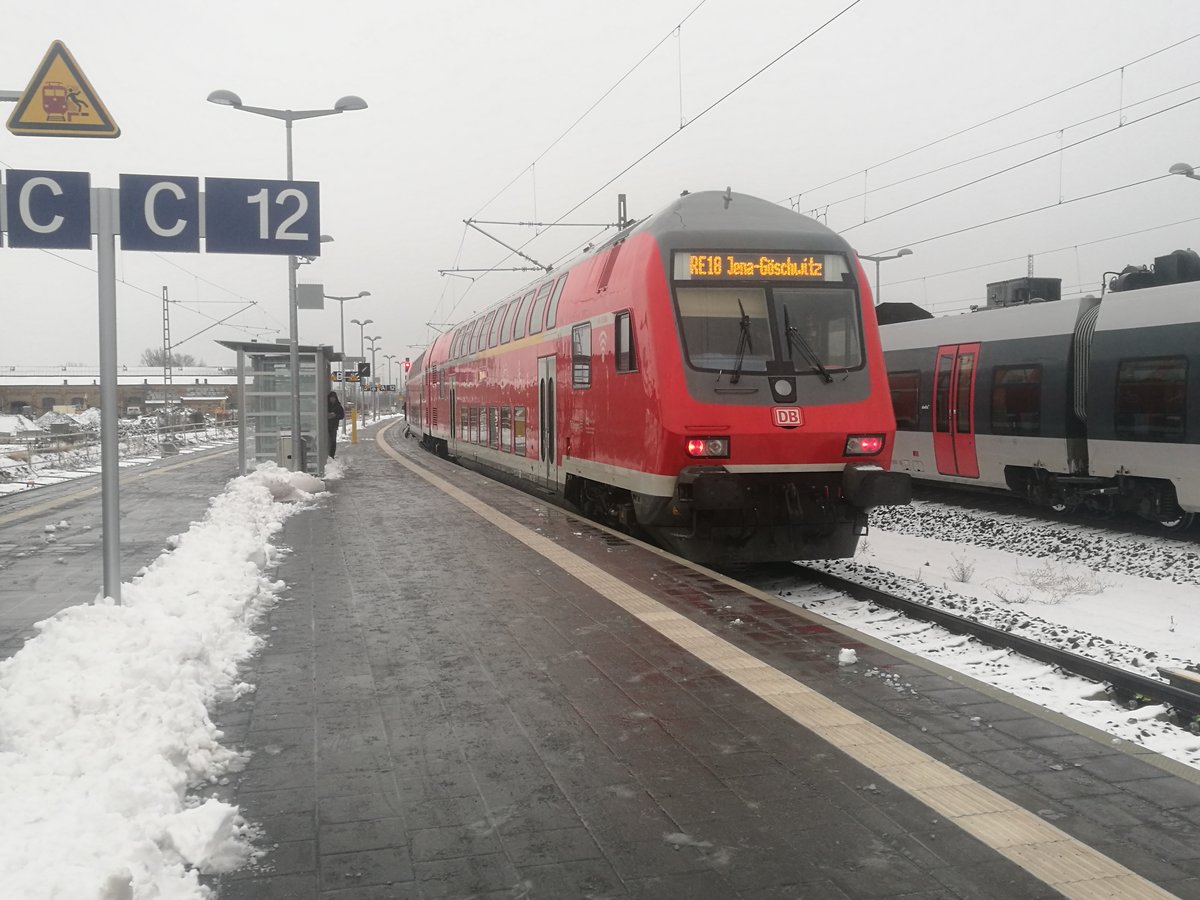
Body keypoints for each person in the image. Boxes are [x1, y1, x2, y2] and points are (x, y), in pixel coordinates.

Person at [326, 391, 345, 458]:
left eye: (333, 398)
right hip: (325, 426)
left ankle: (331, 455)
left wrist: (335, 415)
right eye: (331, 398)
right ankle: (327, 454)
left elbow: (342, 416)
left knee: (333, 441)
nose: (332, 399)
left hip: (334, 426)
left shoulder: (338, 406)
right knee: (326, 440)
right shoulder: (326, 405)